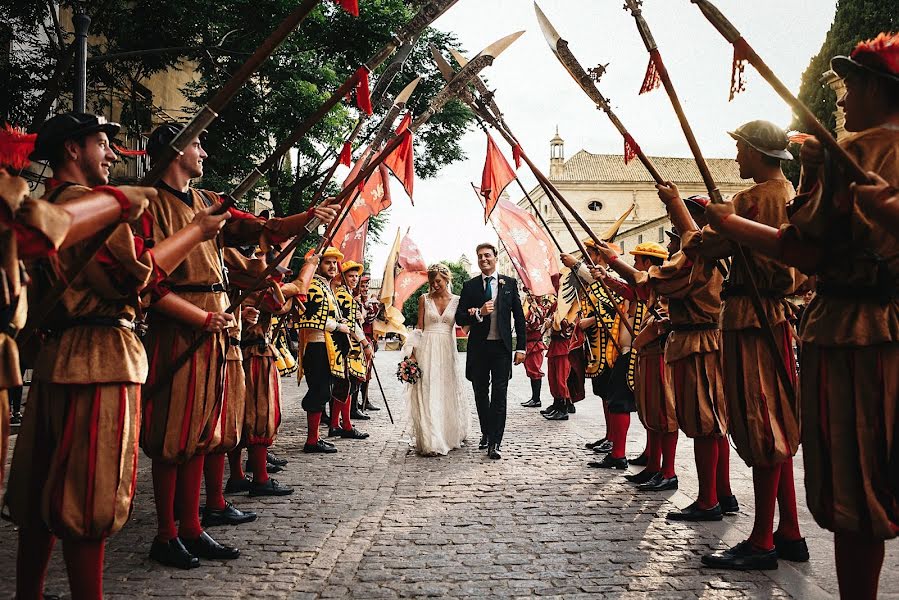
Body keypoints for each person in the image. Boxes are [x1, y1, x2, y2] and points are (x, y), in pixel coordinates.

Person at [703, 33, 899, 597]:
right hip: (880, 322)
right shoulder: (848, 154)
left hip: (855, 330)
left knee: (858, 483)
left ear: (877, 89)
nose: (841, 99)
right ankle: (779, 532)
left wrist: (729, 224)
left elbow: (804, 249)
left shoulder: (860, 152)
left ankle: (782, 541)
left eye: (850, 85)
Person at [5, 112, 229, 598]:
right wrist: (195, 233)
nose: (111, 156)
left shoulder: (46, 205)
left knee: (38, 495)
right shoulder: (93, 206)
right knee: (90, 498)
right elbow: (136, 280)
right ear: (72, 149)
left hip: (54, 359)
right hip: (102, 357)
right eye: (103, 145)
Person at [139, 122, 336, 570]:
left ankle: (192, 526)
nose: (203, 152)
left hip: (215, 329)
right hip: (181, 326)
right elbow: (147, 279)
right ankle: (166, 534)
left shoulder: (207, 201)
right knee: (173, 432)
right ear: (174, 152)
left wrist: (308, 216)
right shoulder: (149, 203)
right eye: (196, 143)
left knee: (201, 434)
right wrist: (203, 317)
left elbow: (261, 227)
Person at [662, 120, 806, 570]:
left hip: (751, 318)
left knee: (760, 423)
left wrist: (679, 211)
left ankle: (763, 539)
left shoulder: (752, 199)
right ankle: (789, 531)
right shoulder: (790, 194)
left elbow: (704, 248)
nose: (738, 158)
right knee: (777, 423)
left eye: (741, 149)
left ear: (757, 151)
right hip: (777, 316)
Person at [455, 243, 526, 460]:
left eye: (487, 255)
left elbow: (519, 317)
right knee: (480, 393)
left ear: (495, 257)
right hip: (479, 348)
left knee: (500, 395)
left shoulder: (509, 283)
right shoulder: (470, 286)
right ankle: (486, 432)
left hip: (501, 349)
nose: (483, 259)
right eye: (480, 256)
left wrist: (521, 347)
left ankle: (495, 441)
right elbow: (460, 318)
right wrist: (479, 313)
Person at [404, 263, 469, 456]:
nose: (435, 285)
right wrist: (413, 354)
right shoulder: (424, 299)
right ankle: (431, 439)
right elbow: (419, 327)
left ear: (447, 279)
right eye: (432, 281)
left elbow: (465, 326)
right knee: (428, 391)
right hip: (427, 349)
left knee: (446, 390)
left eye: (439, 281)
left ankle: (447, 434)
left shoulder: (457, 301)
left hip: (447, 350)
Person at [296, 248, 353, 454]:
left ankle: (315, 438)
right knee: (319, 391)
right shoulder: (313, 286)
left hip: (327, 346)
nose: (332, 267)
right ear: (319, 265)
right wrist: (339, 326)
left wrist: (340, 322)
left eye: (333, 263)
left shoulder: (326, 287)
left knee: (324, 391)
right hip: (318, 345)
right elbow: (309, 318)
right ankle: (312, 440)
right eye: (327, 262)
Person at [330, 261, 372, 439]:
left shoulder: (347, 295)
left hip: (349, 345)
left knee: (347, 386)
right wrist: (365, 344)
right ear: (343, 277)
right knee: (346, 385)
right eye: (350, 276)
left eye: (356, 276)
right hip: (348, 346)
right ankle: (341, 424)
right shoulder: (343, 296)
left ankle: (339, 423)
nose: (354, 279)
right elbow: (351, 325)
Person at [520, 294, 551, 408]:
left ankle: (536, 399)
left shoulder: (537, 309)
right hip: (529, 342)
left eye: (530, 294)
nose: (528, 296)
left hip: (534, 342)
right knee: (531, 371)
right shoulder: (531, 309)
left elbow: (533, 325)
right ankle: (534, 397)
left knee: (534, 371)